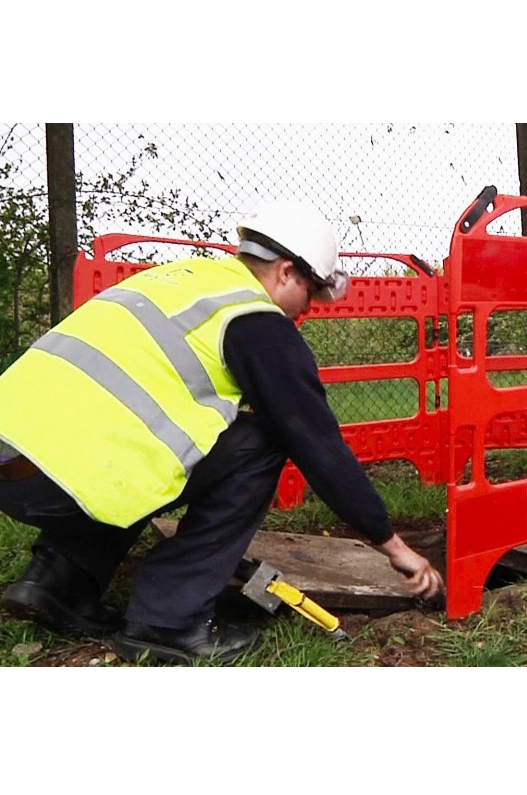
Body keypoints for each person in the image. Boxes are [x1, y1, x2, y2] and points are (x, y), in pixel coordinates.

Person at [0, 200, 443, 664]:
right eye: (310, 293)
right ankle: (169, 621)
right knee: (261, 440)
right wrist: (392, 545)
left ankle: (57, 581)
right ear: (287, 272)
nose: (306, 310)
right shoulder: (255, 320)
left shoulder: (181, 279)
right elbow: (316, 445)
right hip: (55, 482)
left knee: (139, 449)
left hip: (16, 460)